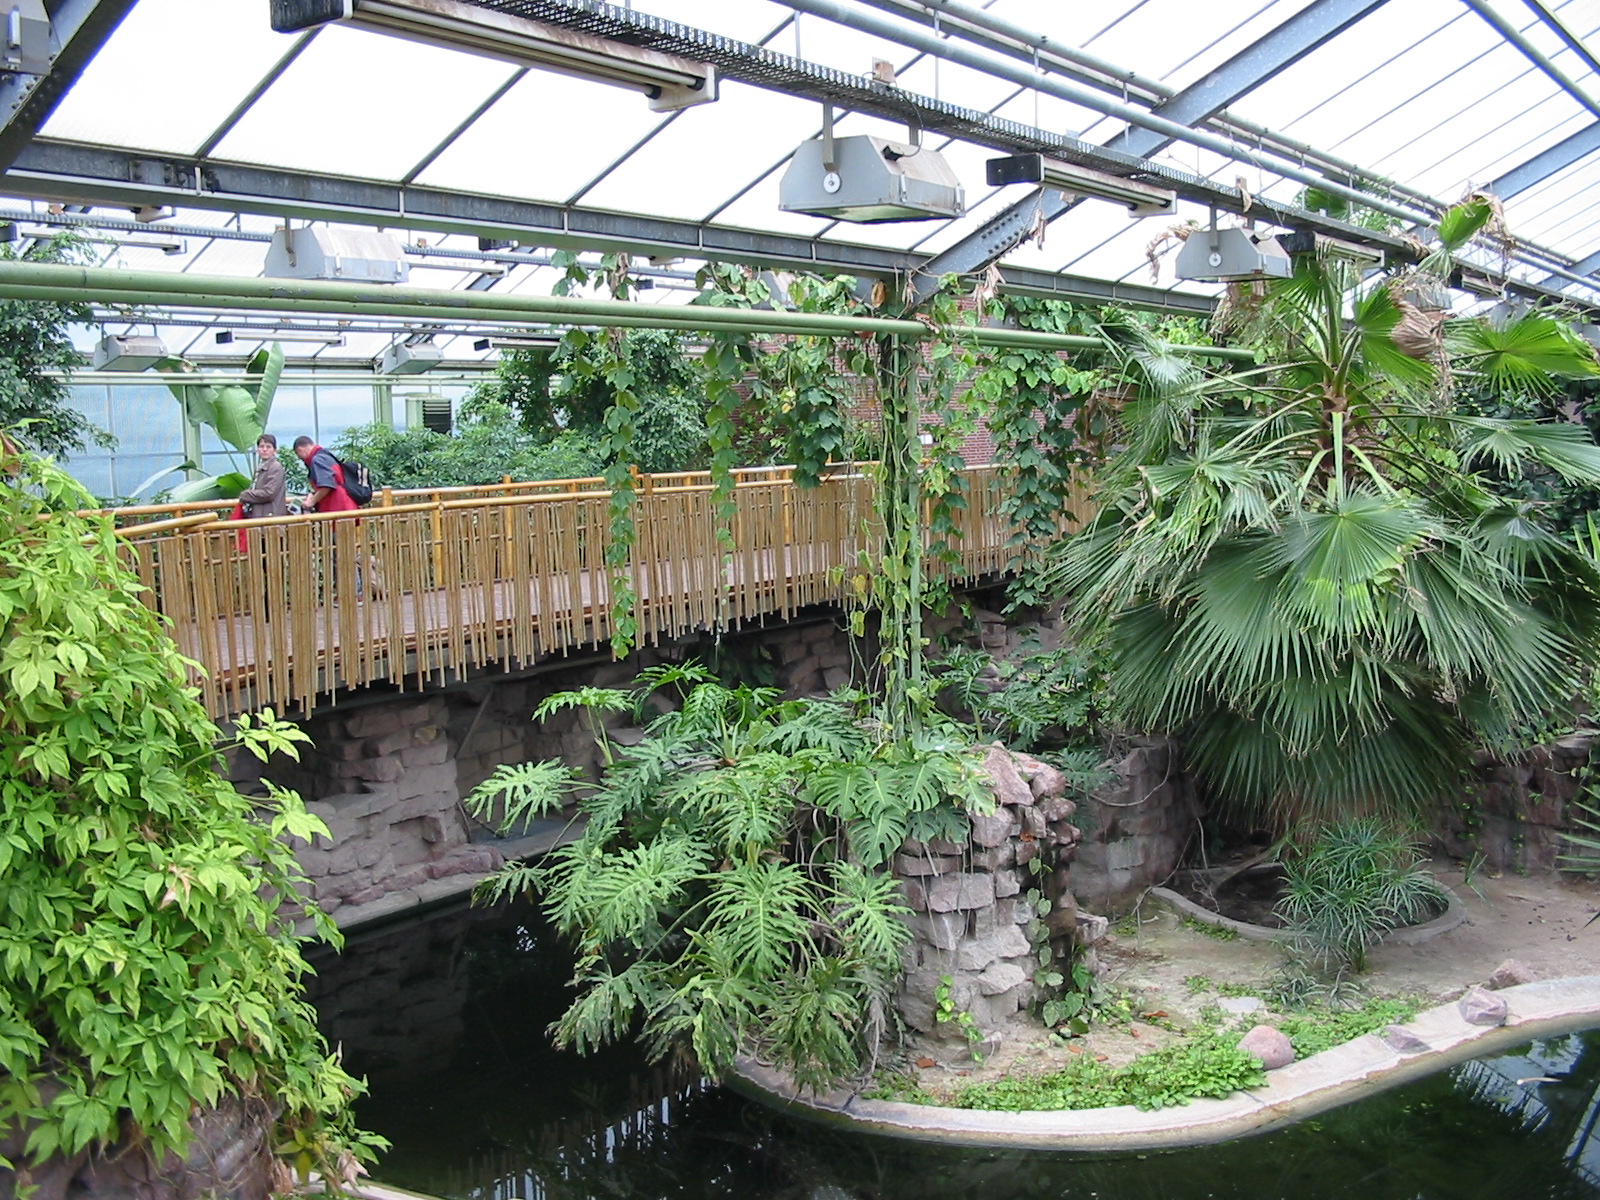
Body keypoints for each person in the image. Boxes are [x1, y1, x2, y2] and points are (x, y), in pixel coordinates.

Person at [293, 436, 358, 514]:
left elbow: (327, 485)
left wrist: (311, 502)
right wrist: (313, 494)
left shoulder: (317, 460)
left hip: (336, 508)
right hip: (346, 506)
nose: (300, 458)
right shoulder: (325, 456)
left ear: (300, 450)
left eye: (298, 454)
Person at [236, 434, 288, 518]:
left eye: (268, 447)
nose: (264, 449)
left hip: (271, 515)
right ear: (258, 450)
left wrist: (245, 495)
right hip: (261, 514)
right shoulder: (261, 467)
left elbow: (269, 493)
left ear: (274, 450)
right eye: (261, 446)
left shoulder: (275, 467)